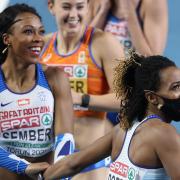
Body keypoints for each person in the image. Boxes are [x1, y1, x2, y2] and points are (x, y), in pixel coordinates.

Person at [43, 51, 180, 180]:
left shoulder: (122, 130)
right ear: (152, 98)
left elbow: (72, 164)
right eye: (176, 87)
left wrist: (32, 174)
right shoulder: (164, 134)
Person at [40, 0, 124, 179]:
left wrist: (79, 99)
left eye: (79, 7)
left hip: (88, 164)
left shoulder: (104, 43)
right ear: (51, 7)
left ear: (88, 7)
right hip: (50, 163)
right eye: (66, 7)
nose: (73, 14)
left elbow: (126, 99)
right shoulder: (42, 46)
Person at [0, 3, 74, 180]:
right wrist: (25, 167)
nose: (38, 38)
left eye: (41, 31)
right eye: (28, 31)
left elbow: (65, 138)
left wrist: (62, 176)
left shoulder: (55, 78)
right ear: (7, 39)